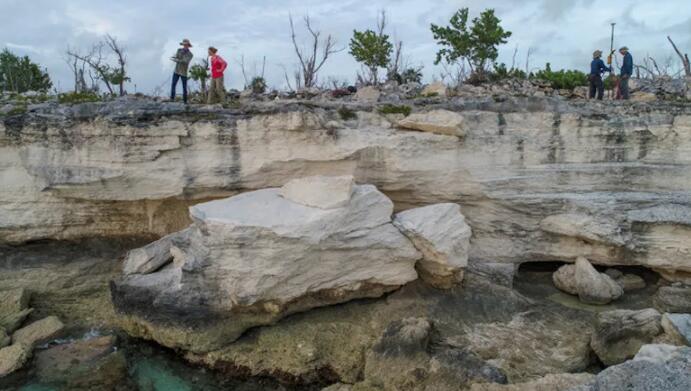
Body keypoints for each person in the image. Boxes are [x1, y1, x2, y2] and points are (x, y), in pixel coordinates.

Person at [170, 39, 194, 103]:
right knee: (173, 84)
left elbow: (185, 61)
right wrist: (174, 58)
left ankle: (185, 101)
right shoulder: (179, 50)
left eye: (186, 45)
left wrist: (177, 60)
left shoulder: (190, 54)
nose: (185, 45)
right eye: (184, 44)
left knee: (184, 87)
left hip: (183, 72)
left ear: (188, 45)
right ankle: (172, 98)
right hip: (176, 70)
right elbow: (177, 57)